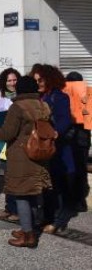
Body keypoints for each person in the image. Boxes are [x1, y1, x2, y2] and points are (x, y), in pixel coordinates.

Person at [0, 76, 52, 248]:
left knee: (21, 196)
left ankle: (28, 236)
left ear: (19, 89)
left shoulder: (17, 107)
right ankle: (29, 228)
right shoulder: (43, 105)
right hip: (40, 154)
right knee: (34, 193)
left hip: (21, 156)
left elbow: (7, 134)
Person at [32, 64, 76, 234]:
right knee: (47, 186)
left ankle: (59, 221)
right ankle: (48, 216)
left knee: (58, 186)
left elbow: (65, 119)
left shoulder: (59, 97)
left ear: (50, 78)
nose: (38, 83)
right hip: (42, 147)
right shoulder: (38, 97)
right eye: (36, 80)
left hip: (58, 148)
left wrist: (56, 132)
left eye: (40, 80)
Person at [0, 68, 21, 222]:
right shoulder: (0, 100)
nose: (12, 83)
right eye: (9, 80)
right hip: (4, 143)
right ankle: (9, 207)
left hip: (18, 143)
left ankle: (17, 210)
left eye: (14, 80)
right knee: (8, 177)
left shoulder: (23, 97)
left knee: (17, 177)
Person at [64, 71, 91, 212]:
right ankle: (80, 202)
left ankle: (70, 201)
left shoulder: (65, 94)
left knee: (69, 170)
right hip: (84, 138)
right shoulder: (87, 94)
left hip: (69, 137)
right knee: (81, 170)